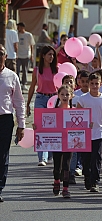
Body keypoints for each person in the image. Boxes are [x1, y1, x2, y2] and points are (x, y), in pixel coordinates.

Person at [38, 85, 74, 198]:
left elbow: (81, 126)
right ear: (58, 95)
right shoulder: (53, 111)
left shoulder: (75, 111)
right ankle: (57, 181)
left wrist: (88, 126)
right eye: (62, 94)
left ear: (72, 96)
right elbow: (45, 125)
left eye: (67, 94)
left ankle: (66, 188)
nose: (65, 96)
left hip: (70, 142)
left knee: (66, 165)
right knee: (57, 165)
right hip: (56, 142)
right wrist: (36, 127)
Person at [0, 44, 25, 202]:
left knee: (2, 155)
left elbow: (19, 102)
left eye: (0, 53)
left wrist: (21, 125)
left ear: (6, 56)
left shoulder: (11, 76)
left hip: (5, 119)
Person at [77, 72, 102, 192]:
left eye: (97, 84)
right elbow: (77, 115)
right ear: (89, 84)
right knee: (86, 158)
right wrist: (84, 124)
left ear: (100, 84)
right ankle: (87, 177)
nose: (94, 86)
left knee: (97, 157)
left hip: (99, 132)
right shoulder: (83, 98)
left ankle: (95, 181)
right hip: (85, 133)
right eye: (92, 84)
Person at [26, 45, 58, 166]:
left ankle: (50, 154)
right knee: (40, 127)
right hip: (40, 98)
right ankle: (42, 157)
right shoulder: (36, 70)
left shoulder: (57, 69)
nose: (51, 57)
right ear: (43, 56)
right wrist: (28, 104)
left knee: (52, 128)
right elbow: (32, 87)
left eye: (53, 55)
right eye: (49, 54)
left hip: (54, 99)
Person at [16, 22, 35, 91]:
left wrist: (32, 55)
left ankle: (24, 84)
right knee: (17, 70)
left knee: (25, 70)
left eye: (19, 27)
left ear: (23, 27)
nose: (18, 29)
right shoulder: (16, 34)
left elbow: (31, 45)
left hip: (26, 54)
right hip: (18, 55)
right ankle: (18, 84)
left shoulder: (28, 35)